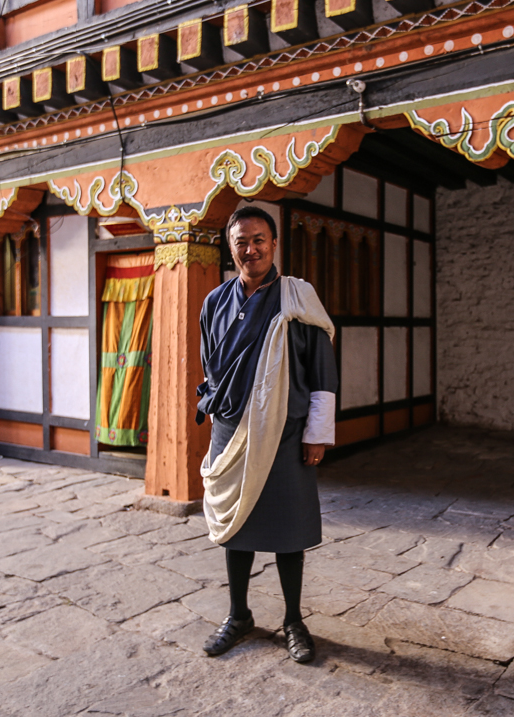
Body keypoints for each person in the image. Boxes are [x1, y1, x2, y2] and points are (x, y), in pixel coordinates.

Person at [195, 205, 337, 663]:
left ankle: (293, 619)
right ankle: (239, 615)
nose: (250, 249)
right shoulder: (215, 302)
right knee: (234, 528)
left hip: (285, 433)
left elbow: (322, 372)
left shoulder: (297, 299)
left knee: (288, 530)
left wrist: (317, 433)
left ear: (274, 244)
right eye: (241, 241)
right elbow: (211, 366)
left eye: (259, 239)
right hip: (230, 430)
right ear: (231, 248)